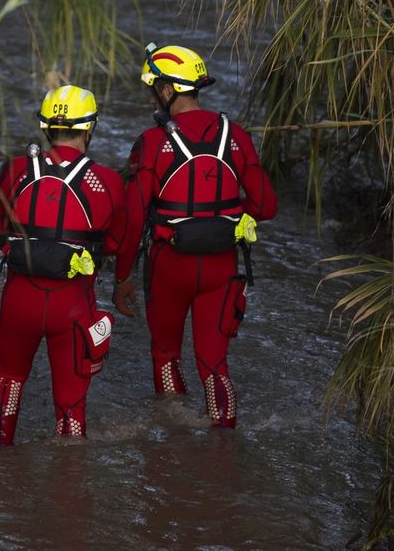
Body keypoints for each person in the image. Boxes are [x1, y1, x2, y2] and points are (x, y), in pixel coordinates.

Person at [117, 43, 277, 428]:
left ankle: (174, 441)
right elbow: (266, 206)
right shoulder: (235, 135)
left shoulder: (152, 142)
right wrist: (224, 218)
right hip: (222, 265)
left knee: (166, 354)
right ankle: (223, 445)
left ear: (167, 90)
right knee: (214, 363)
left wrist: (121, 277)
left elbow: (134, 217)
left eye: (153, 88)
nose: (151, 97)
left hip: (169, 265)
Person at [0, 84, 132, 443]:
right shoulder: (109, 181)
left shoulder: (17, 168)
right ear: (89, 129)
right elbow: (114, 243)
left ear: (46, 127)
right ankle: (68, 485)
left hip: (20, 297)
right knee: (70, 407)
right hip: (73, 304)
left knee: (8, 381)